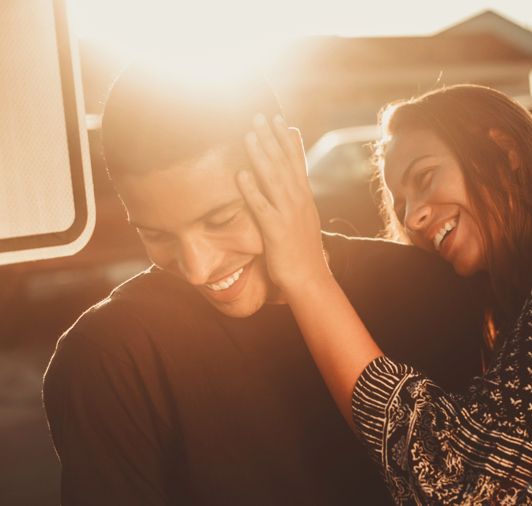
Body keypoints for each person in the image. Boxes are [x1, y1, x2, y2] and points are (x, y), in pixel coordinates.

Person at [42, 63, 488, 505]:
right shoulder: (108, 359)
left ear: (288, 162)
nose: (197, 268)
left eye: (221, 219)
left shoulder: (427, 291)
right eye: (156, 234)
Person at [237, 84, 532, 505]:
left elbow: (463, 483)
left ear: (504, 151)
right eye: (401, 207)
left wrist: (307, 274)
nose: (414, 217)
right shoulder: (519, 315)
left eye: (425, 177)